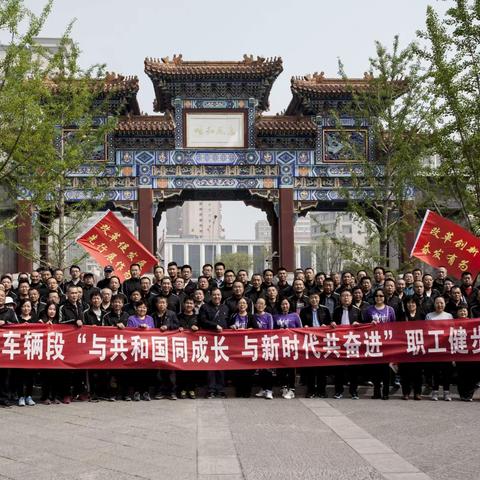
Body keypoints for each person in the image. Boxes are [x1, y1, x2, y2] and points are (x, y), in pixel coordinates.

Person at [331, 290, 364, 399]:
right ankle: (338, 391)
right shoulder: (336, 311)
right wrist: (332, 324)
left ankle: (353, 392)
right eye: (344, 296)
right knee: (338, 368)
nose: (346, 298)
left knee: (354, 369)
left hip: (352, 342)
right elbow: (331, 324)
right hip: (339, 343)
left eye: (348, 296)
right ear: (340, 298)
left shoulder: (357, 310)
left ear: (352, 297)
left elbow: (363, 326)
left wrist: (358, 325)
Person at [364, 289, 396, 399]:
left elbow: (394, 326)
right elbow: (365, 326)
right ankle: (376, 392)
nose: (379, 298)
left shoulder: (390, 310)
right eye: (377, 296)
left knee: (386, 369)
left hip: (386, 343)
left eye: (381, 296)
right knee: (375, 369)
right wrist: (370, 324)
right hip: (374, 342)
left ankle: (385, 392)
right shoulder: (369, 310)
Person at [198, 288, 230, 398]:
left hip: (222, 341)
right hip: (209, 340)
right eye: (214, 295)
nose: (217, 297)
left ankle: (220, 389)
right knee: (210, 366)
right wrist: (214, 326)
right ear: (211, 296)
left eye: (218, 295)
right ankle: (211, 389)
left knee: (221, 366)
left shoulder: (225, 307)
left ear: (221, 296)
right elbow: (202, 320)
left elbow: (228, 321)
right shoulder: (205, 307)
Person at [300, 292, 330, 398]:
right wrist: (305, 326)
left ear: (319, 299)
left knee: (322, 368)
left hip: (322, 341)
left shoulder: (325, 310)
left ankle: (322, 390)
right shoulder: (304, 311)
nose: (314, 300)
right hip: (309, 341)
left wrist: (325, 326)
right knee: (310, 367)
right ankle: (311, 390)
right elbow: (301, 325)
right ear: (309, 299)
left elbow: (330, 324)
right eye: (312, 297)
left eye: (316, 297)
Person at [273, 298, 302, 399]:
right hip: (280, 346)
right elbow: (271, 331)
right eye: (282, 304)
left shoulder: (295, 315)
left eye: (286, 304)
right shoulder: (275, 316)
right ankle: (284, 387)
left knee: (291, 368)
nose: (284, 306)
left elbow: (300, 330)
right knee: (281, 368)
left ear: (289, 305)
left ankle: (292, 389)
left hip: (291, 346)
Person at [426, 297, 453, 401]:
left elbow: (452, 330)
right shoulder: (429, 316)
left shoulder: (449, 316)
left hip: (446, 348)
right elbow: (426, 331)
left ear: (444, 304)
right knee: (435, 371)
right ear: (434, 304)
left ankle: (447, 392)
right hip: (434, 348)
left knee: (447, 371)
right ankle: (435, 391)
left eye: (441, 303)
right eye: (437, 303)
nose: (439, 305)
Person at [127, 300, 155, 401]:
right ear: (135, 308)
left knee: (146, 371)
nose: (142, 309)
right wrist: (138, 328)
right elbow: (128, 332)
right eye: (140, 307)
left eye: (144, 307)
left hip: (147, 349)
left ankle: (146, 392)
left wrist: (147, 329)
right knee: (136, 372)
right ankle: (136, 392)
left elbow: (154, 331)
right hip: (135, 348)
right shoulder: (131, 318)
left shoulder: (150, 319)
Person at [152, 296, 179, 400]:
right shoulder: (153, 315)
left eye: (163, 303)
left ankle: (172, 392)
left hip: (169, 346)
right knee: (158, 371)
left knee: (170, 370)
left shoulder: (172, 314)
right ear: (156, 304)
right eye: (159, 302)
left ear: (167, 304)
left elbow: (177, 325)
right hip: (156, 346)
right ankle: (160, 391)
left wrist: (168, 327)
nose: (161, 304)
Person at [229, 298, 256, 398]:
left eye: (244, 303)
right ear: (237, 305)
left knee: (248, 369)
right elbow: (228, 327)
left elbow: (256, 328)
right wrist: (231, 327)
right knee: (237, 369)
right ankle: (239, 391)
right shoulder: (233, 316)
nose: (242, 305)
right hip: (236, 346)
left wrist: (247, 330)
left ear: (247, 306)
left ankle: (247, 391)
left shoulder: (251, 316)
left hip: (248, 345)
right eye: (240, 303)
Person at [399, 297, 424, 400]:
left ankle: (417, 393)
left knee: (418, 372)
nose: (410, 305)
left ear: (416, 304)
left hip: (418, 346)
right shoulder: (401, 316)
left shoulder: (422, 316)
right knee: (405, 371)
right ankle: (406, 392)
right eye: (408, 303)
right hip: (405, 347)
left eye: (413, 302)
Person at [14, 299, 37, 406]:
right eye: (24, 306)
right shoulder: (17, 319)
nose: (26, 308)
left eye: (28, 306)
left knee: (30, 375)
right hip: (19, 351)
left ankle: (29, 396)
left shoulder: (35, 319)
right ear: (21, 308)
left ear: (31, 308)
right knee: (19, 375)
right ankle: (20, 396)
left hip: (31, 350)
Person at [38, 302, 61, 404]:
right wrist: (43, 326)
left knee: (56, 375)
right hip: (45, 352)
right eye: (50, 309)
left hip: (56, 351)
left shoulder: (59, 322)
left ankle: (55, 396)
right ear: (46, 310)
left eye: (54, 309)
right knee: (46, 376)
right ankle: (45, 396)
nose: (52, 311)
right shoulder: (41, 321)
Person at [253, 298, 275, 400]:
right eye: (258, 303)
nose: (260, 305)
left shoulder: (268, 316)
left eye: (262, 304)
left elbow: (271, 330)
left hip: (267, 344)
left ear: (265, 306)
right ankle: (263, 388)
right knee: (260, 368)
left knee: (268, 368)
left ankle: (269, 390)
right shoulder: (253, 316)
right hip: (257, 345)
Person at [177, 298, 199, 399]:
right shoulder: (178, 316)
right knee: (181, 369)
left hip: (193, 347)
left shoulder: (197, 317)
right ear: (183, 304)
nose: (189, 305)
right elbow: (173, 326)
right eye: (187, 303)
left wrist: (198, 329)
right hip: (180, 347)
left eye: (191, 303)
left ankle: (192, 389)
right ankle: (182, 389)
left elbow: (203, 328)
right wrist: (178, 329)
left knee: (192, 369)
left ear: (194, 305)